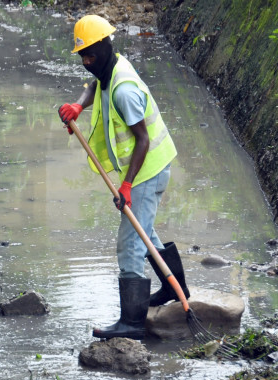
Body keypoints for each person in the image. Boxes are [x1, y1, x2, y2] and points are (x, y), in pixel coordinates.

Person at [58, 14, 190, 340]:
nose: (87, 60)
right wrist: (78, 106)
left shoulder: (124, 91)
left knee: (130, 243)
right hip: (146, 170)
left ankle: (132, 323)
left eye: (91, 53)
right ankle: (177, 288)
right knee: (146, 235)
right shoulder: (109, 69)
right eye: (82, 55)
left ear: (105, 45)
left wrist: (127, 185)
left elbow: (143, 140)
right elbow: (94, 85)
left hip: (148, 170)